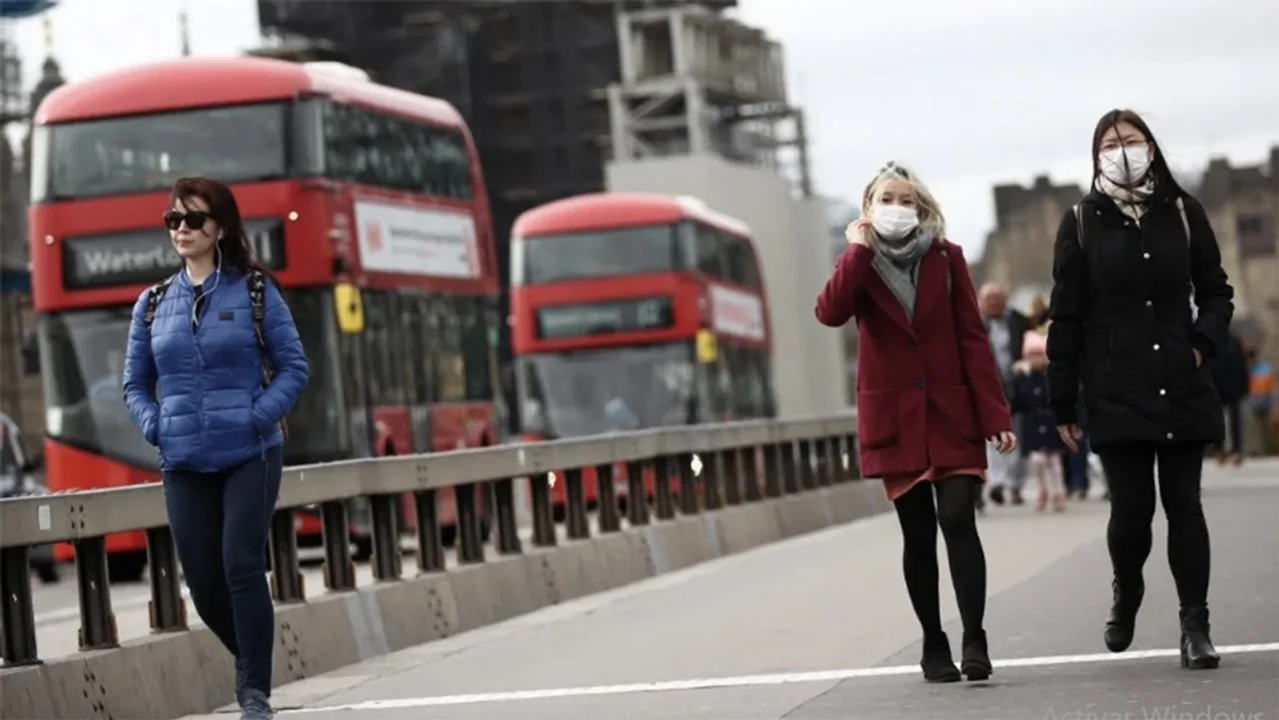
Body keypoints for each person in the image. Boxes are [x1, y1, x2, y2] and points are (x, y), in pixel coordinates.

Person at [1046, 109, 1233, 671]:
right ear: (1096, 155)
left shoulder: (1183, 213)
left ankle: (1195, 624)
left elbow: (1216, 291)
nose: (1121, 150)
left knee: (1185, 506)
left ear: (1150, 148)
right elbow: (1066, 317)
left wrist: (1200, 345)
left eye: (1131, 140)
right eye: (1110, 143)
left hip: (1180, 381)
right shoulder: (1081, 222)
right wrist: (1062, 400)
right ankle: (1127, 588)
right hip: (1115, 386)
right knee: (1132, 512)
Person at [815, 161, 1016, 684]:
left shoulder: (947, 258)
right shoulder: (857, 263)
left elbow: (972, 339)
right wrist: (857, 250)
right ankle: (933, 640)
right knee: (918, 534)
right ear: (868, 208)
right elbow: (829, 313)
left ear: (922, 209)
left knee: (958, 517)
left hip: (951, 412)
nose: (898, 208)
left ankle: (974, 637)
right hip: (895, 417)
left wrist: (994, 414)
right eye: (887, 199)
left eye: (907, 200)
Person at [123, 177, 310, 719]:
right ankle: (252, 659)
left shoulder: (254, 291)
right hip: (182, 459)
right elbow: (135, 384)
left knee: (240, 565)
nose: (181, 229)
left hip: (250, 453)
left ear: (220, 228)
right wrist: (156, 426)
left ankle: (254, 692)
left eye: (194, 219)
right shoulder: (153, 304)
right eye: (173, 219)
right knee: (203, 584)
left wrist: (257, 416)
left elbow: (294, 367)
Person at [977, 283, 1029, 506]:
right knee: (994, 437)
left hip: (1018, 386)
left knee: (1020, 436)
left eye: (997, 298)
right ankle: (997, 482)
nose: (993, 303)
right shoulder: (975, 323)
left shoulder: (1018, 322)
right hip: (991, 386)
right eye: (989, 299)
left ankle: (1015, 484)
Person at [1009, 330, 1067, 512]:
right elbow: (1015, 402)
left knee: (1054, 461)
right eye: (1032, 355)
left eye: (1039, 355)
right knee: (1037, 460)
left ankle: (1058, 491)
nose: (1036, 359)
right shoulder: (1021, 378)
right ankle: (1042, 489)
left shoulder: (1050, 376)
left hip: (1051, 423)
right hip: (1032, 423)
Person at [1209, 330, 1250, 465]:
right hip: (1219, 386)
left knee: (1233, 420)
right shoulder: (1214, 341)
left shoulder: (1233, 342)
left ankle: (1234, 450)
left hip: (1231, 387)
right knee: (1219, 420)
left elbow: (1242, 365)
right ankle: (1220, 449)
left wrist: (1244, 386)